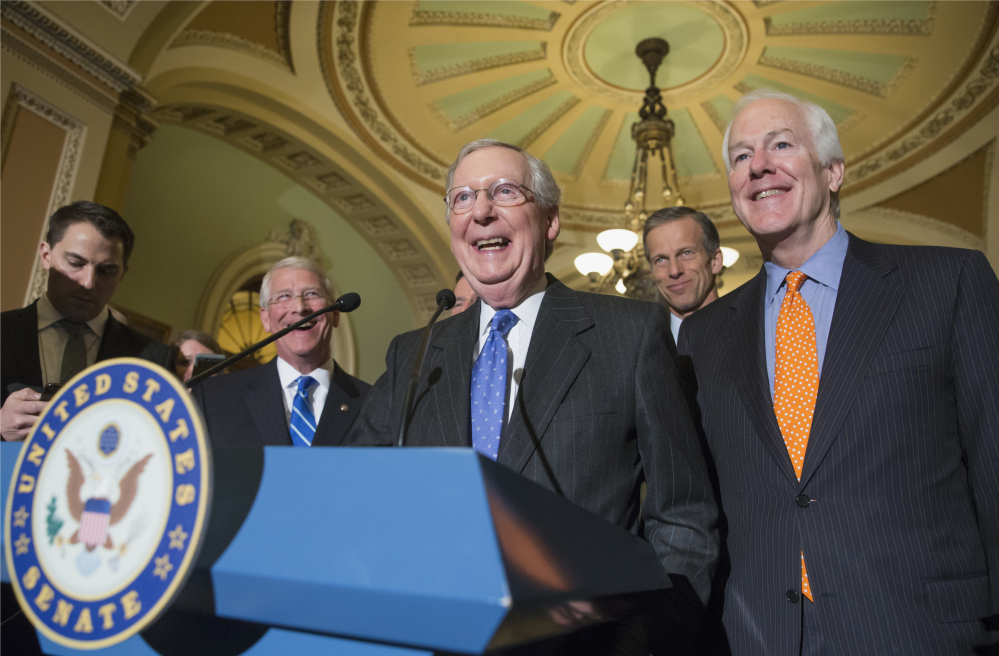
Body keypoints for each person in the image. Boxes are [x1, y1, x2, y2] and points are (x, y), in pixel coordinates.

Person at [347, 139, 718, 633]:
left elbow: (683, 511)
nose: (480, 211)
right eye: (462, 197)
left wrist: (660, 631)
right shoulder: (412, 354)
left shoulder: (629, 335)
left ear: (550, 220)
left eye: (504, 192)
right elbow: (356, 495)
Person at [678, 88, 999, 655]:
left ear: (832, 171)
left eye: (781, 144)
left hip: (922, 634)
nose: (759, 166)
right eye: (740, 156)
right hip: (758, 638)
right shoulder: (704, 336)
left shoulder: (947, 283)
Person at [0, 201, 175, 441]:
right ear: (46, 255)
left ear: (123, 273)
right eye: (75, 263)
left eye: (106, 271)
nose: (88, 283)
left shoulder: (154, 361)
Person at [192, 257, 370, 447]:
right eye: (284, 296)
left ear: (335, 314)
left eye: (312, 294)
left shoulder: (375, 403)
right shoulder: (214, 397)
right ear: (266, 318)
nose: (300, 308)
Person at [642, 206, 724, 344]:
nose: (674, 271)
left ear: (715, 261)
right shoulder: (641, 345)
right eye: (660, 260)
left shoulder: (755, 331)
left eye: (686, 253)